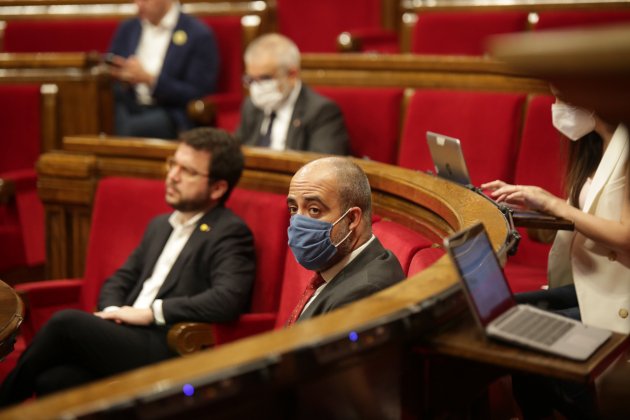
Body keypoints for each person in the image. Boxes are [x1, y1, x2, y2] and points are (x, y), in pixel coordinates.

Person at [0, 128, 255, 406]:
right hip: (127, 335)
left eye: (188, 171)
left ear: (218, 187)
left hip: (168, 342)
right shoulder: (160, 225)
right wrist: (113, 312)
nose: (173, 176)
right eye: (173, 165)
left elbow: (227, 299)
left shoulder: (229, 232)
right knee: (54, 380)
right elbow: (120, 280)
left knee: (66, 322)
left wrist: (150, 313)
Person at [482, 98, 630, 419]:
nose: (558, 105)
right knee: (505, 314)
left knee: (522, 333)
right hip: (590, 283)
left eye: (563, 94)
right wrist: (533, 206)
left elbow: (626, 235)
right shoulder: (595, 146)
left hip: (620, 296)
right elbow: (586, 214)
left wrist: (553, 205)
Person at [285, 156, 405, 324]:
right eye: (293, 208)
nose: (298, 223)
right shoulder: (338, 268)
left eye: (314, 210)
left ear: (351, 219)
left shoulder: (363, 294)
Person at [107, 0, 219, 139]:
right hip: (129, 104)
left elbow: (198, 92)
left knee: (127, 129)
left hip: (169, 112)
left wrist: (150, 80)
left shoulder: (198, 34)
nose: (139, 5)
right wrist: (119, 75)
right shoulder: (128, 28)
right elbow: (111, 67)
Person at [235, 34, 349, 155]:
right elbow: (235, 151)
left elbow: (325, 167)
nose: (256, 87)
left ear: (292, 75)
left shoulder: (321, 112)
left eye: (265, 78)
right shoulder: (251, 106)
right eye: (250, 79)